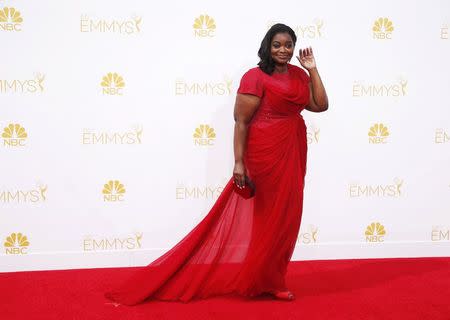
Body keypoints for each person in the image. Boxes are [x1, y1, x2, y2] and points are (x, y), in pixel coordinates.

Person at [104, 23, 328, 306]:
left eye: (288, 45)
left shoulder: (298, 74)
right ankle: (267, 281)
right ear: (267, 47)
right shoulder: (254, 77)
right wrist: (238, 162)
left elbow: (320, 105)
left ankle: (271, 278)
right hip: (265, 152)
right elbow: (241, 121)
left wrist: (313, 69)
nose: (283, 50)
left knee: (288, 217)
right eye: (277, 45)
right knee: (269, 217)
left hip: (293, 147)